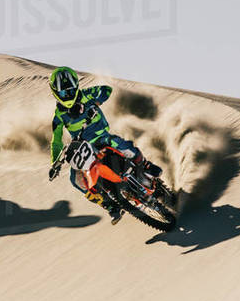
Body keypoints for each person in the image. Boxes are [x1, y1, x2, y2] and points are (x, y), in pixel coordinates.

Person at [46, 66, 161, 224]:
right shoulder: (58, 116)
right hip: (84, 148)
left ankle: (145, 165)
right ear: (56, 93)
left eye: (71, 91)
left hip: (101, 136)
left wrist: (95, 104)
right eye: (64, 93)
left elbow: (106, 90)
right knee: (75, 179)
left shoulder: (86, 95)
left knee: (118, 143)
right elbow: (56, 141)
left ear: (76, 87)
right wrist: (55, 163)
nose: (69, 95)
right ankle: (110, 206)